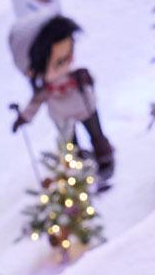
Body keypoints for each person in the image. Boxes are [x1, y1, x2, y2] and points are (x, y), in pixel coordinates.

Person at [10, 13, 116, 190]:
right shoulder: (46, 89)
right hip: (63, 117)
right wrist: (24, 117)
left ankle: (104, 162)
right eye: (59, 62)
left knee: (96, 135)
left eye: (69, 54)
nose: (69, 62)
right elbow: (35, 104)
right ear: (31, 70)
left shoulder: (76, 76)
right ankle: (81, 173)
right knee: (72, 147)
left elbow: (90, 83)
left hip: (85, 108)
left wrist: (87, 80)